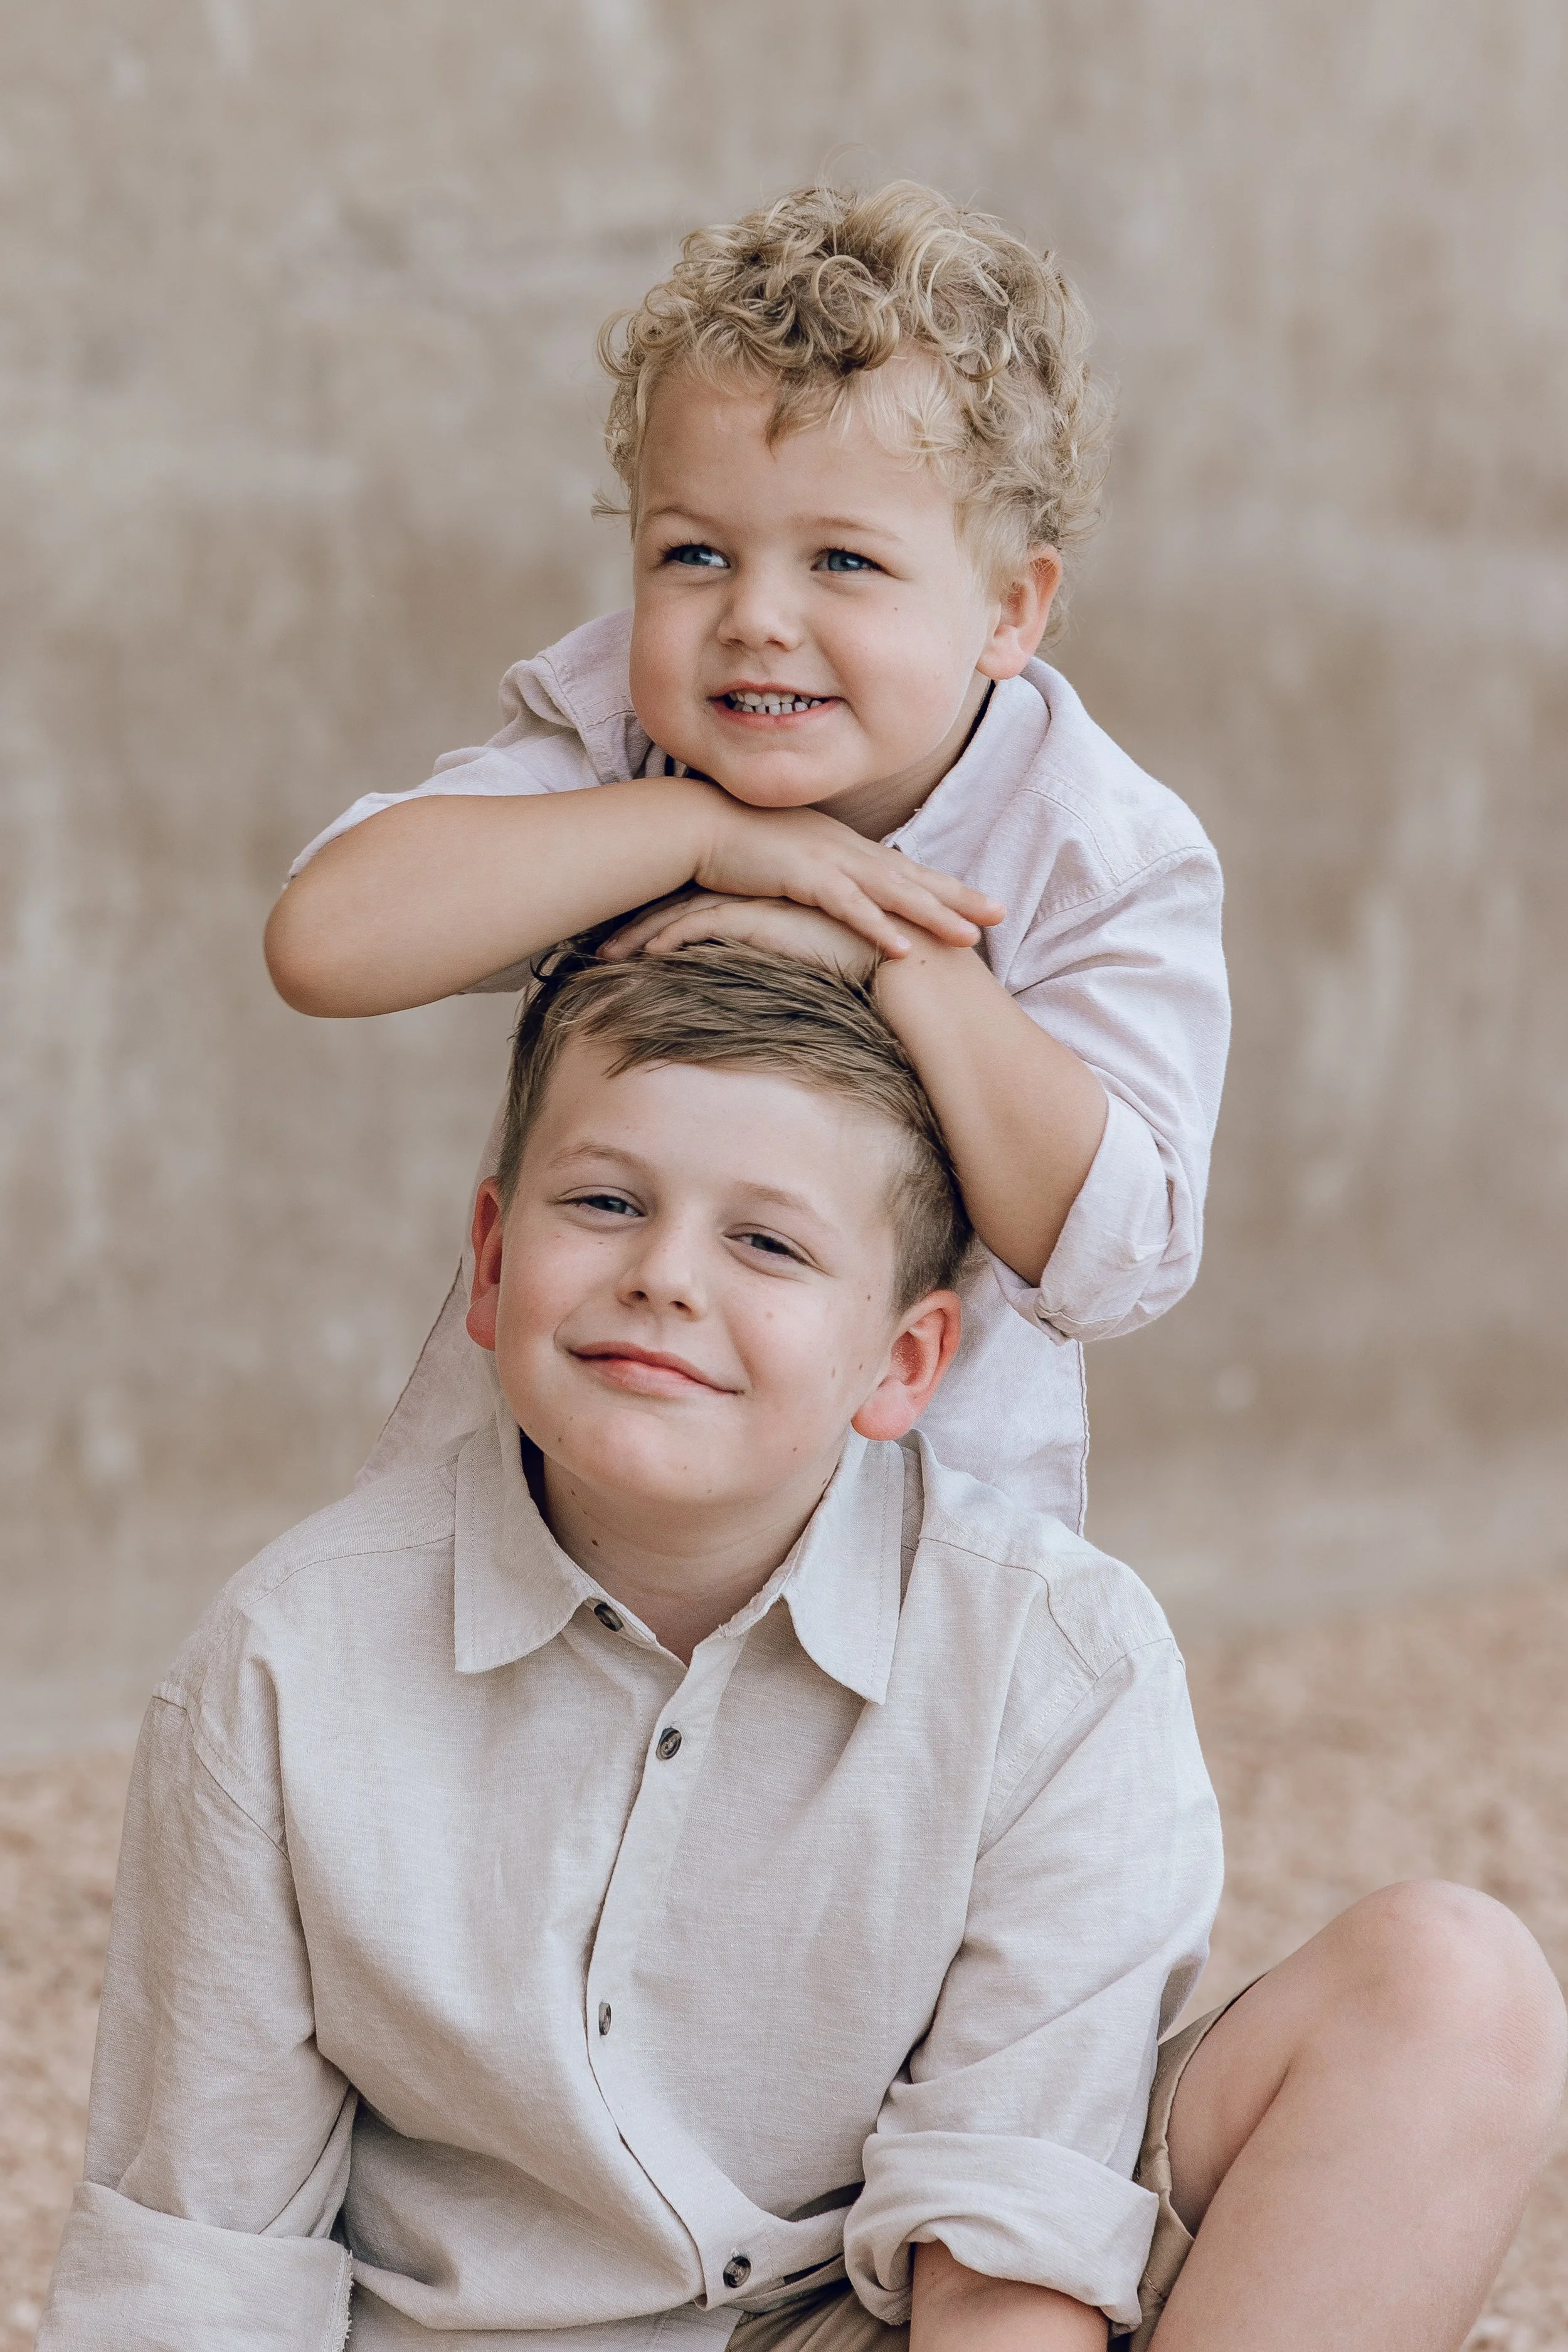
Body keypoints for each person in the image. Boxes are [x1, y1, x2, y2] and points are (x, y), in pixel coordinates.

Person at [38, 947, 1565, 2352]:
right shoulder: (285, 1659)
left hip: (874, 2316)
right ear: (491, 1266)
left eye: (765, 1241)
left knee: (1451, 1988)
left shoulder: (1055, 1655)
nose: (667, 1276)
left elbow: (1006, 2238)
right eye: (605, 1204)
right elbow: (207, 2244)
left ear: (899, 1363)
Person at [262, 179, 1231, 1530]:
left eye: (841, 560)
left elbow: (1114, 1260)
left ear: (1008, 610)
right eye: (695, 553)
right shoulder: (628, 741)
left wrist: (879, 956)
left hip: (907, 1542)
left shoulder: (1094, 849)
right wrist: (706, 834)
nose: (755, 619)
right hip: (569, 1505)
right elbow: (326, 943)